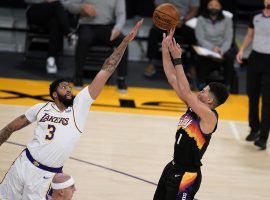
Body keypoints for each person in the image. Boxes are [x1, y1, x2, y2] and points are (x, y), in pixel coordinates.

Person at [0, 19, 143, 200]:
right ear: (54, 94)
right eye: (63, 87)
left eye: (69, 87)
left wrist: (123, 44)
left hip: (46, 176)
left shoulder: (79, 107)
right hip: (23, 163)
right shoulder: (41, 108)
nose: (68, 89)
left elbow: (106, 69)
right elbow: (11, 127)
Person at [153, 29, 229, 199]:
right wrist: (165, 50)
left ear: (210, 101)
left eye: (204, 91)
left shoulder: (210, 117)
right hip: (172, 167)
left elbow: (187, 92)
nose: (200, 92)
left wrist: (178, 59)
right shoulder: (193, 106)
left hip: (187, 176)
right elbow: (173, 79)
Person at [65, 0, 128, 92]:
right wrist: (82, 7)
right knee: (84, 39)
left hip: (107, 26)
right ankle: (78, 76)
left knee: (123, 41)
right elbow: (69, 6)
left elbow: (121, 14)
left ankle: (121, 79)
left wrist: (117, 28)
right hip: (87, 25)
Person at [236, 0, 270, 150]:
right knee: (252, 95)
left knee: (267, 100)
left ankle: (263, 137)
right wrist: (242, 49)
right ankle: (254, 129)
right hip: (255, 58)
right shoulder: (255, 16)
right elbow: (250, 35)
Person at [144, 0, 200, 77]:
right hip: (165, 19)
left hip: (183, 21)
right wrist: (168, 19)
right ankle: (151, 63)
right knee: (153, 31)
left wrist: (183, 20)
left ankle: (192, 65)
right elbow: (158, 5)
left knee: (194, 35)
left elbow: (195, 8)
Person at [25, 0, 76, 74]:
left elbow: (72, 4)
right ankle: (69, 34)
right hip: (37, 11)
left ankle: (51, 58)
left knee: (55, 21)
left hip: (57, 16)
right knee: (56, 5)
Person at [195, 0, 234, 90]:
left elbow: (228, 38)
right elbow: (200, 38)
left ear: (220, 7)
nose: (213, 7)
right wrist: (212, 48)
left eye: (216, 5)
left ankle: (227, 84)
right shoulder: (201, 19)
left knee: (230, 57)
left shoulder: (227, 20)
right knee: (200, 57)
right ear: (207, 7)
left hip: (222, 48)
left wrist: (221, 50)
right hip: (206, 48)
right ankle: (201, 82)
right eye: (211, 5)